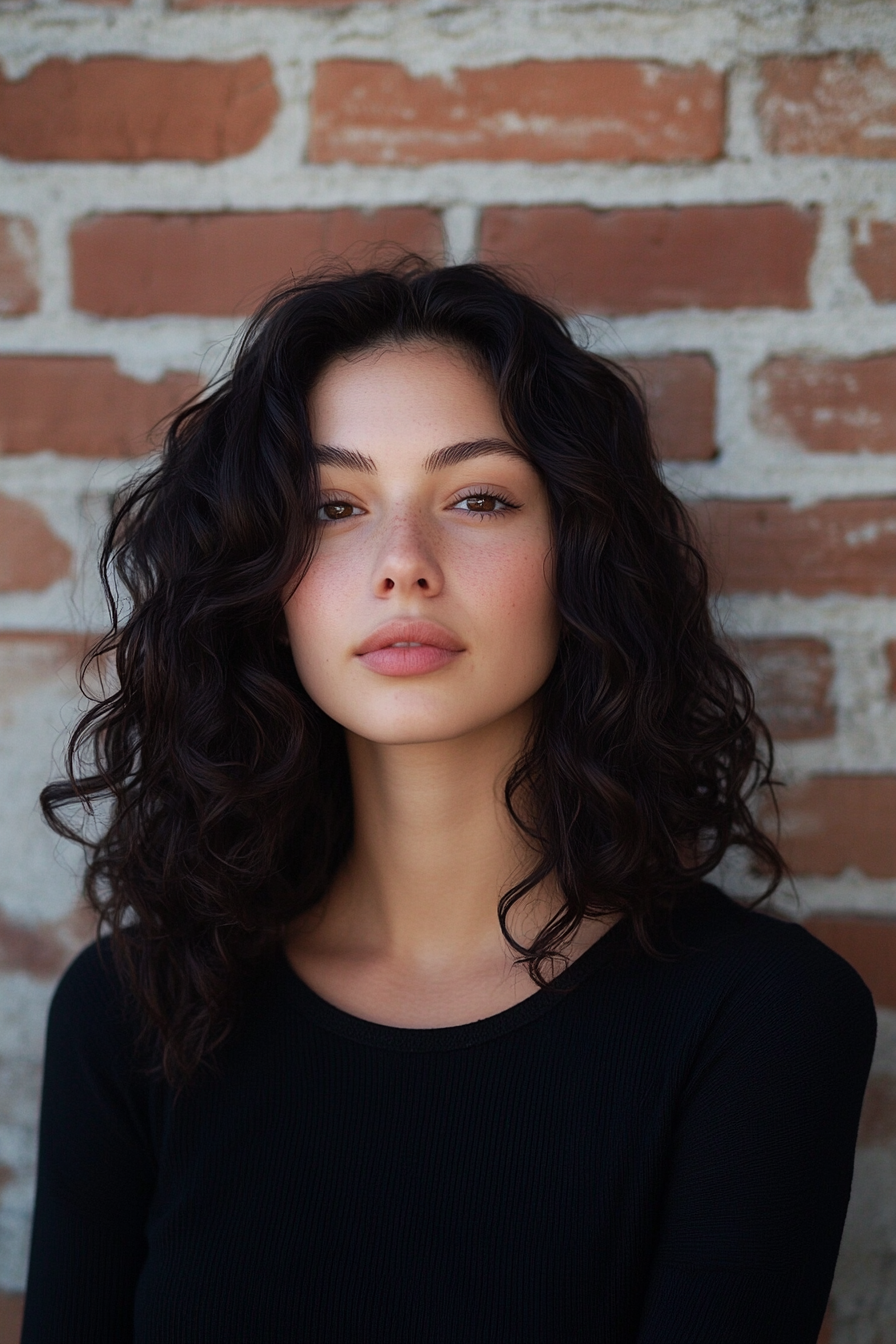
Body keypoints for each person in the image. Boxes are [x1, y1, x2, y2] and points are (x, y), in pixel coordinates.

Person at [23, 259, 875, 1344]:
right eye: (332, 506)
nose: (402, 565)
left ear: (580, 555)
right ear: (257, 576)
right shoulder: (132, 1011)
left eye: (476, 497)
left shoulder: (759, 1020)